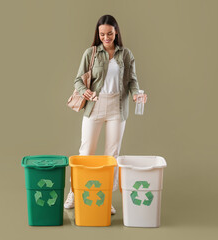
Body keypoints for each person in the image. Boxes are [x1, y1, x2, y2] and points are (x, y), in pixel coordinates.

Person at [64, 15, 147, 214]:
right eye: (102, 34)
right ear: (98, 34)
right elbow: (78, 80)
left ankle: (106, 197)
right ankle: (75, 193)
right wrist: (84, 90)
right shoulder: (91, 53)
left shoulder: (126, 55)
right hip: (95, 105)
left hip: (117, 107)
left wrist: (136, 95)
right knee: (86, 153)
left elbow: (132, 81)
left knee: (112, 156)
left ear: (116, 32)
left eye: (109, 33)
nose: (106, 37)